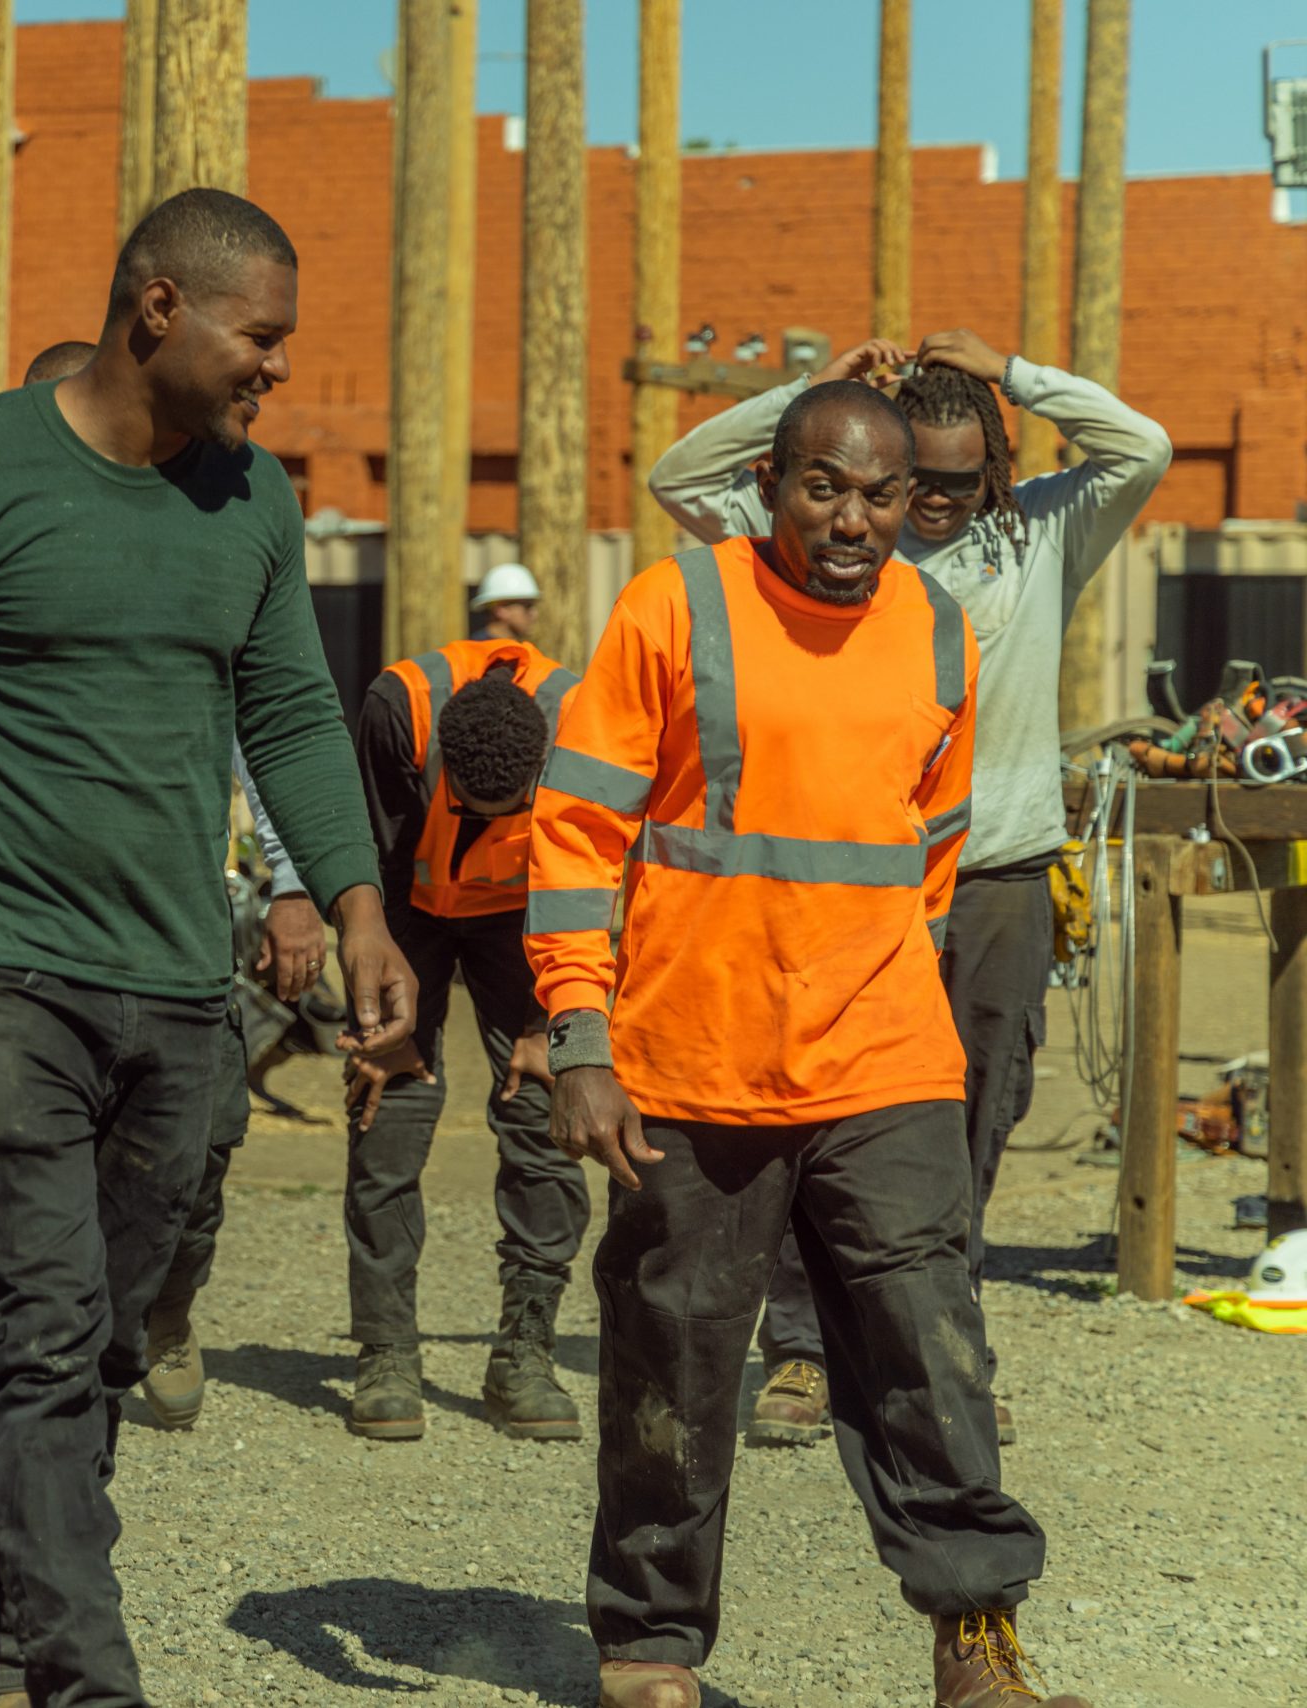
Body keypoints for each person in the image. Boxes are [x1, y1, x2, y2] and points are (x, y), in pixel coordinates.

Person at [0, 188, 417, 1708]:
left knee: (92, 1351)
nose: (274, 369)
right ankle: (86, 1679)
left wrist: (356, 908)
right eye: (256, 338)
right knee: (44, 1332)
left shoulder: (251, 502)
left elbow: (288, 716)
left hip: (176, 983)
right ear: (157, 309)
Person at [530, 380, 1089, 1708]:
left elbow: (931, 856)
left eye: (880, 494)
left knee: (927, 1331)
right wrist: (577, 1032)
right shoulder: (677, 606)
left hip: (882, 1058)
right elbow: (575, 830)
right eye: (822, 487)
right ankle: (650, 1645)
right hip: (692, 1058)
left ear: (914, 504)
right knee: (676, 1347)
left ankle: (976, 1642)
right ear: (772, 485)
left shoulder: (937, 631)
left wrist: (866, 977)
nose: (850, 519)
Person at [647, 327, 1170, 1448]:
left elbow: (1140, 446)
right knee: (810, 1115)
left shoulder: (1035, 536)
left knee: (969, 1123)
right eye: (907, 478)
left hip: (992, 884)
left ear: (995, 466)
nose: (925, 503)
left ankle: (942, 1350)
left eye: (953, 477)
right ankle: (797, 1351)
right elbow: (677, 474)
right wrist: (822, 395)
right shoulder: (829, 544)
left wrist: (1011, 369)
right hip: (850, 896)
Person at [1, 337, 330, 1438]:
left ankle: (166, 1311)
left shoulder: (202, 549)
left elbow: (268, 727)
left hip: (185, 937)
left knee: (201, 1143)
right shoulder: (3, 561)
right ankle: (52, 1370)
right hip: (32, 941)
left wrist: (293, 889)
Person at [341, 635, 585, 1442]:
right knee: (389, 1105)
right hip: (408, 907)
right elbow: (370, 858)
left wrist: (548, 1023)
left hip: (526, 917)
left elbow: (605, 879)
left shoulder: (582, 725)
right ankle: (386, 1352)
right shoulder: (395, 712)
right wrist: (387, 1018)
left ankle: (525, 1352)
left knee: (544, 1109)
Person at [467, 561, 543, 643]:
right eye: (527, 606)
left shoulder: (520, 652)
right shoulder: (473, 653)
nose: (534, 614)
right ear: (501, 609)